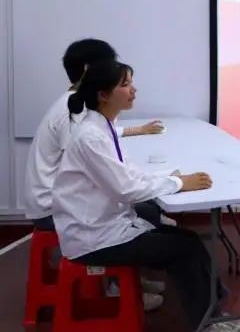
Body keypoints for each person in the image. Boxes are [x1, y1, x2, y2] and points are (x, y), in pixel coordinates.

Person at [53, 60, 240, 332]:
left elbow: (128, 174)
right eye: (125, 84)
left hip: (105, 226)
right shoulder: (90, 137)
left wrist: (171, 176)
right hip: (94, 239)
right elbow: (127, 189)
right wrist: (177, 183)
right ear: (103, 95)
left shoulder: (102, 126)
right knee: (184, 250)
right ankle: (209, 323)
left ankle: (215, 313)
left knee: (189, 240)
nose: (133, 90)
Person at [23, 39, 171, 309]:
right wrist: (171, 181)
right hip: (53, 206)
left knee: (146, 208)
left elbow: (98, 136)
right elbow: (90, 152)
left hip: (62, 197)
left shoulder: (77, 104)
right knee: (142, 208)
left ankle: (132, 278)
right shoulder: (71, 111)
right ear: (89, 69)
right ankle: (117, 284)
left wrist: (136, 131)